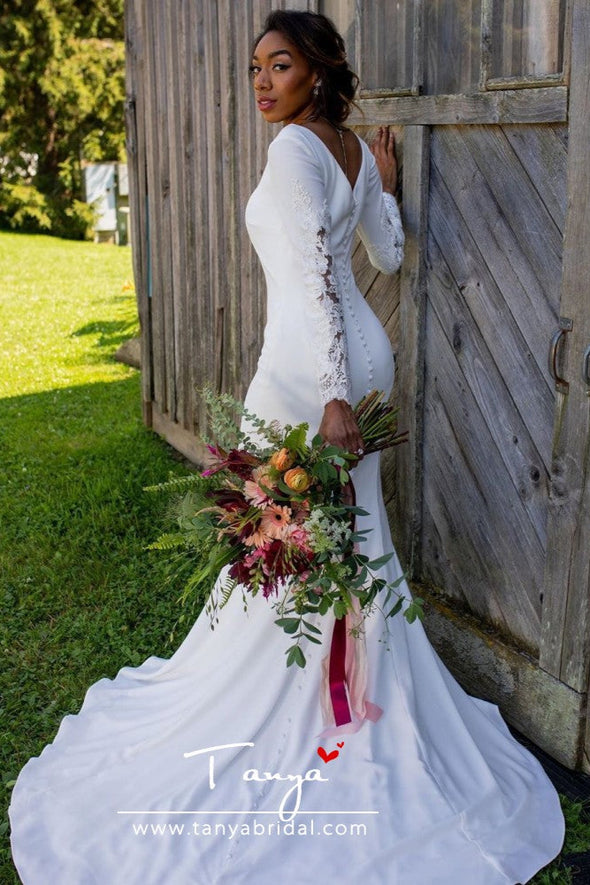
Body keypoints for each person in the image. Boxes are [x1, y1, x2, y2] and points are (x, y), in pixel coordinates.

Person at [9, 9, 564, 884]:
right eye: (255, 68)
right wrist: (381, 183)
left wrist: (335, 395)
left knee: (295, 535)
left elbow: (313, 269)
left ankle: (306, 700)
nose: (262, 82)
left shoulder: (297, 151)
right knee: (341, 536)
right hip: (344, 356)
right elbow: (390, 251)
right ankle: (349, 693)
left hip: (315, 377)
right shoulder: (342, 149)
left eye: (279, 66)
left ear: (318, 71)